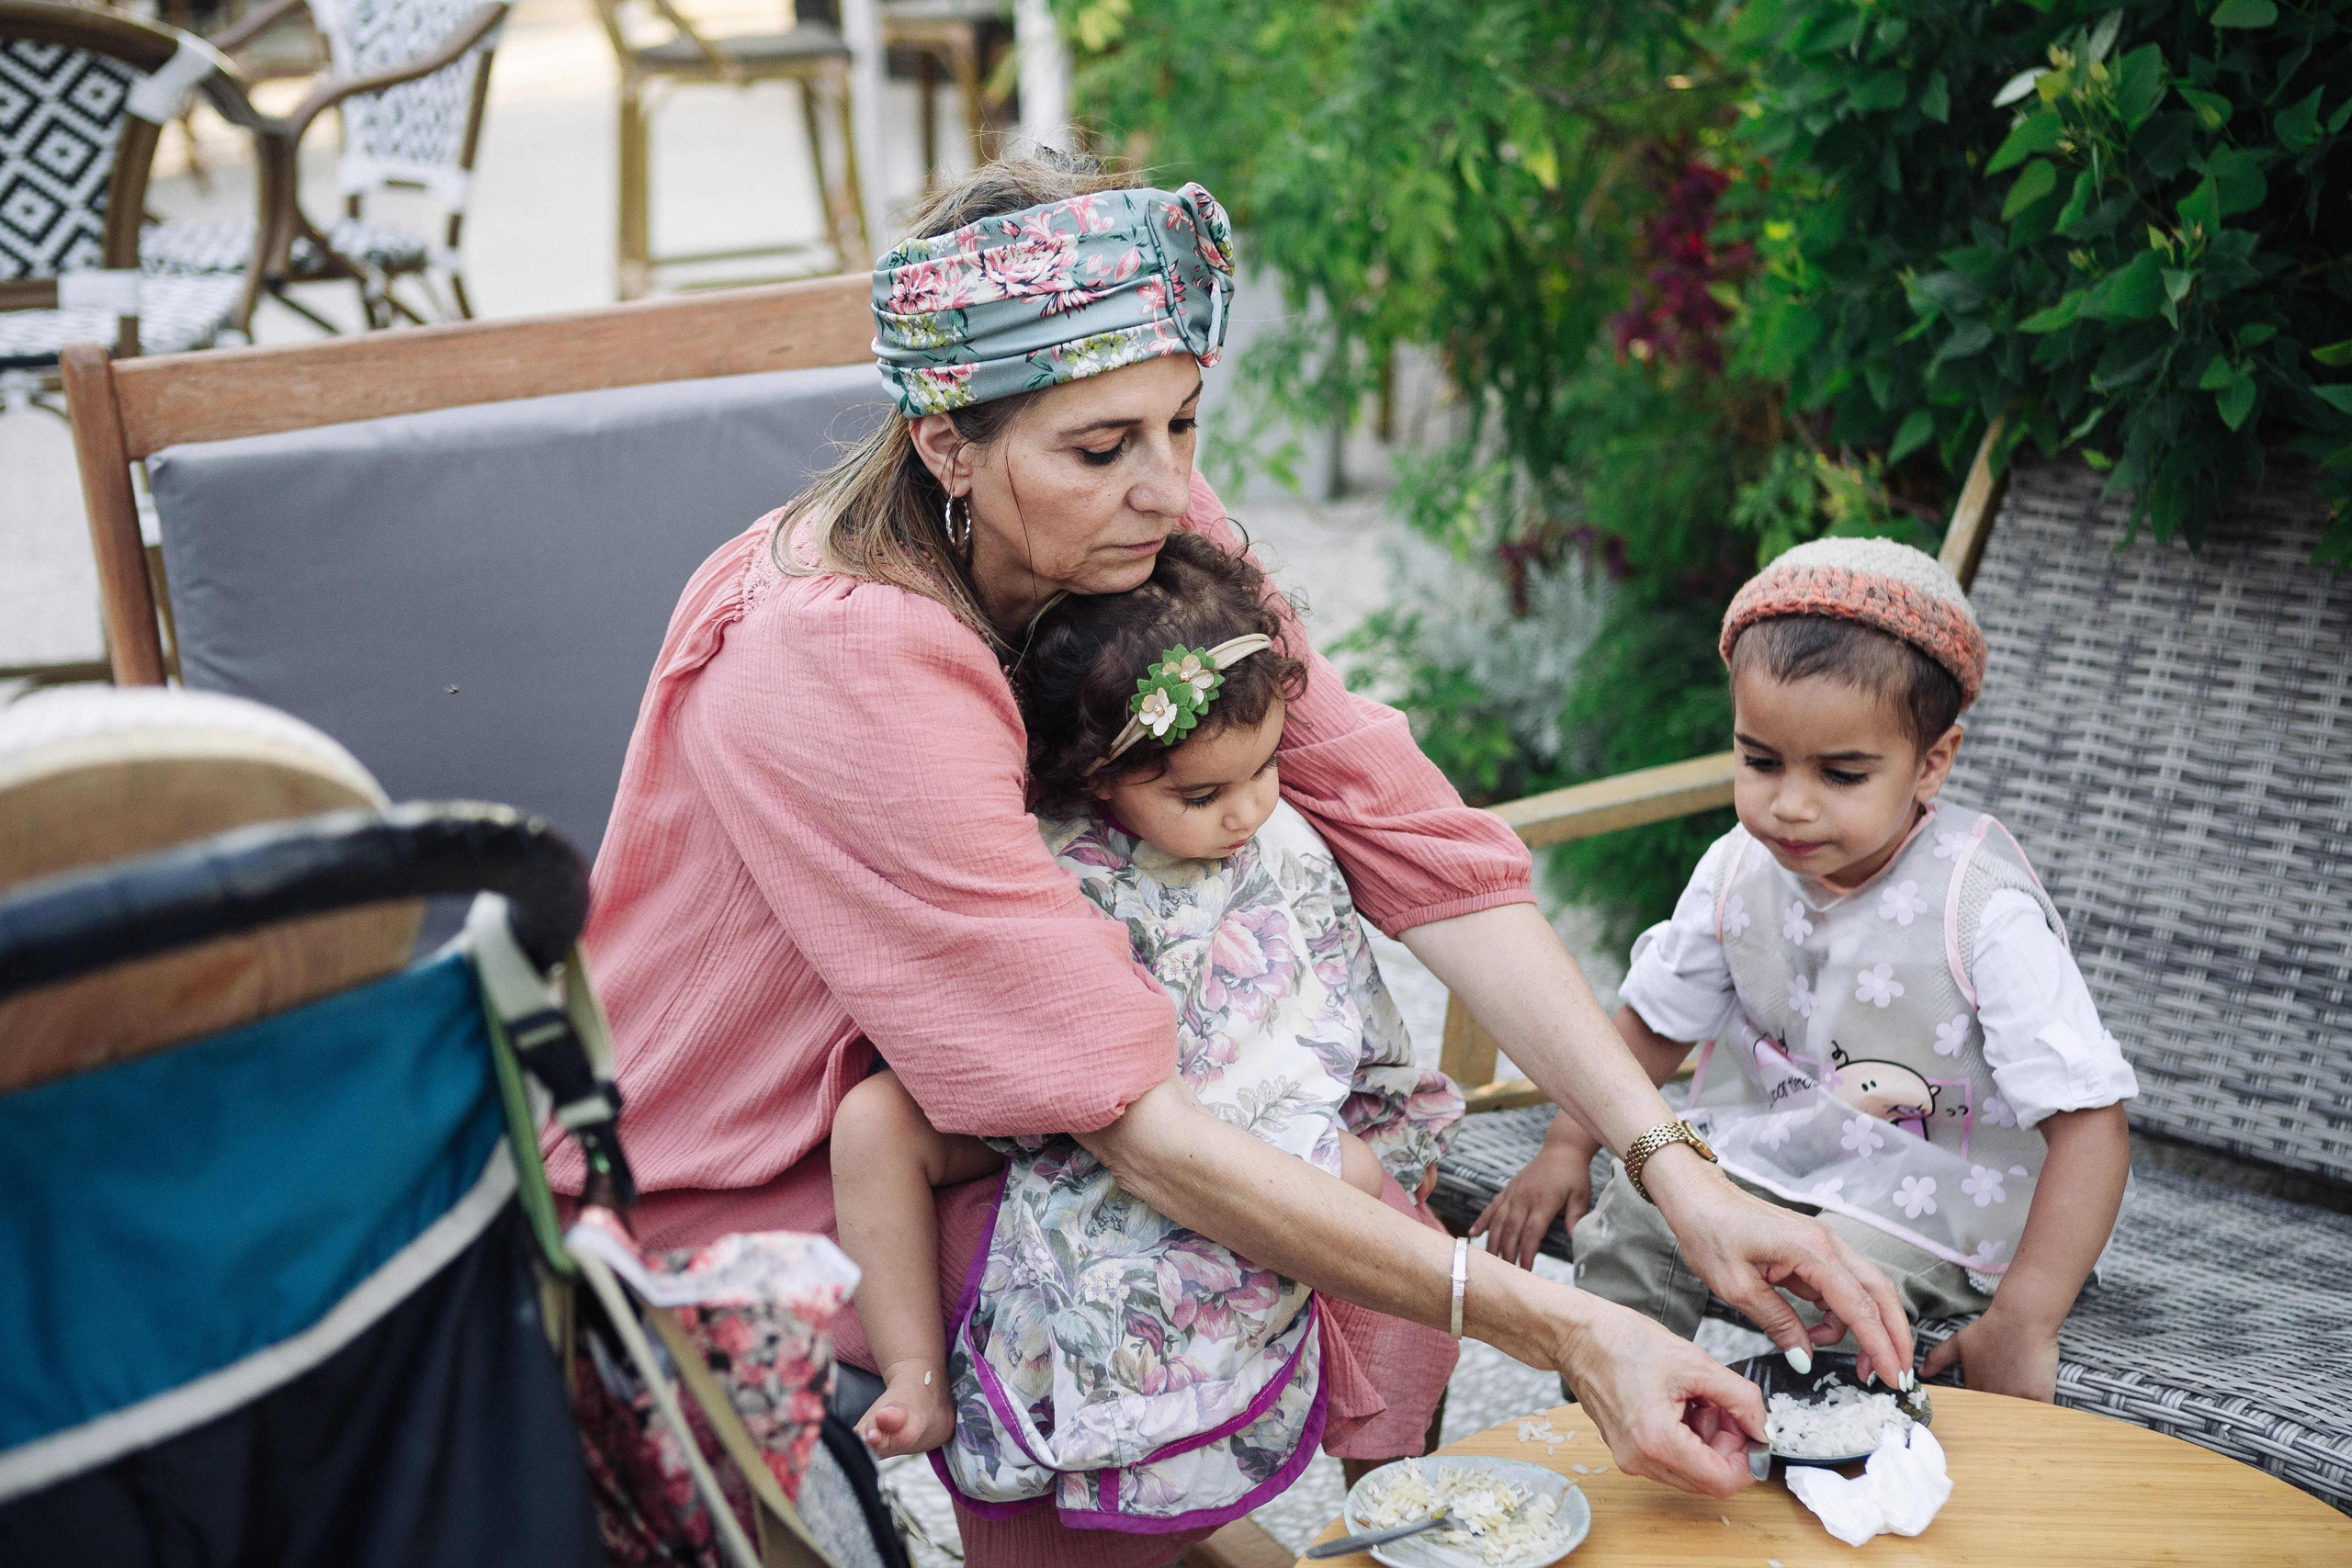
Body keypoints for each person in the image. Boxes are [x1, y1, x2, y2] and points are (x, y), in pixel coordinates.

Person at [548, 158, 1914, 1567]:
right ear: (945, 443)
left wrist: (1680, 1170)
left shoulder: (1142, 549)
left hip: (988, 1103)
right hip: (763, 1172)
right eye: (1100, 447)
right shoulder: (849, 651)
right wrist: (1567, 1320)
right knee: (1124, 1275)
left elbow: (1420, 842)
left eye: (1185, 422)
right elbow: (1117, 1108)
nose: (1168, 490)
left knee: (1294, 1154)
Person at [831, 534, 1461, 1536]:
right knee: (870, 1122)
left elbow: (1320, 999)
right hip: (1057, 1098)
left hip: (1240, 1101)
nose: (1245, 811)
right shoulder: (1036, 856)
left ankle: (1369, 1466)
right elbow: (975, 991)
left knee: (1347, 1172)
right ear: (1097, 776)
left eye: (1261, 772)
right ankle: (915, 1371)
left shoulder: (1274, 839)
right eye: (1200, 796)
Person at [1474, 536, 2136, 1402]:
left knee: (1848, 1288)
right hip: (1776, 1146)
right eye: (1760, 760)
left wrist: (2026, 1315)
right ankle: (1617, 1423)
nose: (1789, 803)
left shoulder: (1980, 911)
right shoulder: (1736, 870)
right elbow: (1654, 1024)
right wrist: (1569, 1144)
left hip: (1933, 1191)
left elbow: (2092, 1125)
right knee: (1639, 1214)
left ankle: (1818, 1462)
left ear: (1931, 761)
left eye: (1841, 772)